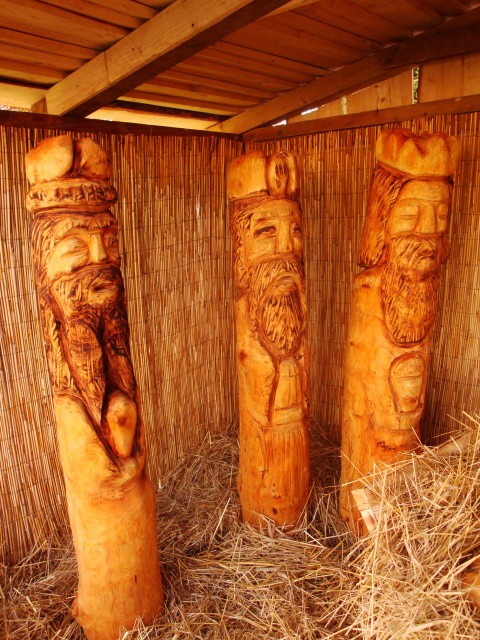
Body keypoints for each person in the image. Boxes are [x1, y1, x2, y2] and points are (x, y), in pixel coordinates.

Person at [340, 129, 459, 532]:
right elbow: (366, 373)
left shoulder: (428, 287)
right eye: (411, 215)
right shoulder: (370, 289)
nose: (428, 231)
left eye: (440, 215)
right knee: (369, 491)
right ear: (383, 220)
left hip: (407, 428)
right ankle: (360, 522)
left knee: (400, 487)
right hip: (375, 433)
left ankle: (393, 524)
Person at [228, 150, 310, 528]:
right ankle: (264, 516)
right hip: (264, 457)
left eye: (295, 230)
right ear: (240, 249)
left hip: (296, 446)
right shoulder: (246, 314)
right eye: (267, 232)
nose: (287, 247)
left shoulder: (298, 305)